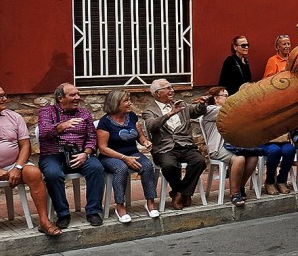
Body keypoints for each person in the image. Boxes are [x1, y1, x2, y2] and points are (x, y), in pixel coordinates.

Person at [0, 84, 62, 237]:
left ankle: (44, 221)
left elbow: (25, 146)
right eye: (0, 96)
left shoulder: (14, 117)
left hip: (14, 164)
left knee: (34, 173)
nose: (5, 99)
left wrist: (18, 167)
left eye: (4, 95)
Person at [36, 82, 107, 227]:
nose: (78, 97)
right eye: (73, 95)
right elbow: (43, 132)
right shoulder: (46, 112)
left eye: (78, 94)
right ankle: (63, 214)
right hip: (53, 155)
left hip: (79, 154)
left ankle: (93, 211)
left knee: (96, 168)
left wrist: (86, 153)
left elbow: (92, 138)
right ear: (60, 98)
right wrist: (62, 126)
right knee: (52, 174)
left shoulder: (84, 113)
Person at [142, 79, 208, 210]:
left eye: (171, 87)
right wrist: (170, 113)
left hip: (185, 145)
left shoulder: (181, 104)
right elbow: (152, 126)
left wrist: (202, 104)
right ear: (157, 93)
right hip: (164, 148)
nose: (172, 90)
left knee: (199, 161)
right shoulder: (149, 110)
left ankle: (180, 193)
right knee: (169, 165)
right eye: (167, 88)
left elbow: (196, 111)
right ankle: (183, 193)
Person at [96, 89, 159, 223]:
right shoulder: (105, 122)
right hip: (110, 156)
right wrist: (124, 158)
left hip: (132, 153)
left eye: (129, 100)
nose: (130, 103)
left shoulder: (132, 117)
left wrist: (145, 142)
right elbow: (103, 148)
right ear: (115, 103)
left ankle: (150, 203)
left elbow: (140, 136)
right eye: (126, 101)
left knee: (147, 166)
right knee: (121, 169)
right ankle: (120, 206)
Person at [198, 86, 259, 206]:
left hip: (233, 146)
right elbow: (233, 111)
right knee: (239, 158)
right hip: (218, 148)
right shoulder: (211, 110)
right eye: (225, 96)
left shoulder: (226, 110)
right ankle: (235, 194)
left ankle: (240, 186)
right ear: (216, 99)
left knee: (253, 157)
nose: (228, 98)